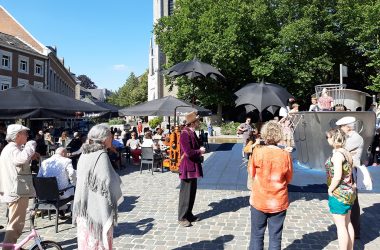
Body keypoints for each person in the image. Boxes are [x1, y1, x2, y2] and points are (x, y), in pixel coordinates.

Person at [73, 124, 123, 250]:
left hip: (84, 208)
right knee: (97, 242)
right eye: (110, 136)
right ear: (105, 138)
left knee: (86, 243)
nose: (112, 138)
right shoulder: (101, 155)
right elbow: (107, 183)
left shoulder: (84, 153)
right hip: (96, 210)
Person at [249, 121, 293, 250]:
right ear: (279, 135)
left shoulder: (258, 152)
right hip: (278, 200)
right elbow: (289, 178)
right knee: (275, 237)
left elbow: (251, 173)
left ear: (264, 134)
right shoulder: (285, 155)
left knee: (256, 235)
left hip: (259, 199)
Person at [0, 124, 39, 248]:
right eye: (25, 133)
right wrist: (31, 145)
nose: (27, 136)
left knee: (14, 222)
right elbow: (20, 160)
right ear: (17, 135)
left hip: (13, 191)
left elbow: (19, 163)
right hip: (16, 192)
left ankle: (9, 246)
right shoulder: (13, 148)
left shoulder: (11, 148)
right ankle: (8, 247)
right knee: (16, 225)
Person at [325, 128, 356, 250]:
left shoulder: (338, 155)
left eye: (328, 137)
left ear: (334, 138)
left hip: (339, 194)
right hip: (349, 192)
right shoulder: (346, 152)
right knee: (348, 223)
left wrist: (330, 189)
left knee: (341, 226)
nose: (327, 139)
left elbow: (337, 176)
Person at [336, 116, 364, 239]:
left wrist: (340, 149)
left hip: (352, 171)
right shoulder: (348, 137)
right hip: (348, 170)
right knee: (350, 199)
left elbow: (339, 149)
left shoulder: (355, 138)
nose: (340, 130)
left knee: (353, 200)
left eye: (341, 127)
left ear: (347, 127)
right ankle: (349, 227)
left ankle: (354, 230)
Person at [178, 111, 206, 227]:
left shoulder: (192, 132)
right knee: (185, 193)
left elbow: (196, 145)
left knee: (192, 192)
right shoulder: (185, 133)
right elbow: (188, 152)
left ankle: (189, 214)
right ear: (193, 122)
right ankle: (182, 217)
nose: (199, 122)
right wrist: (200, 151)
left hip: (193, 166)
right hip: (187, 167)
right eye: (198, 121)